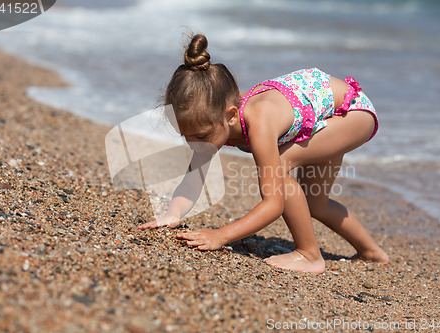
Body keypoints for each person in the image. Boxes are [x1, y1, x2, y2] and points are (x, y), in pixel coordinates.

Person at [139, 34, 389, 273]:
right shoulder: (211, 118)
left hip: (351, 112)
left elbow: (273, 204)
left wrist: (220, 235)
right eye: (186, 137)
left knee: (279, 166)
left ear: (231, 115)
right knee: (315, 202)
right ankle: (371, 253)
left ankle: (309, 255)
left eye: (202, 136)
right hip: (323, 114)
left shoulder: (258, 121)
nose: (196, 145)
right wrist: (172, 214)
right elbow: (194, 177)